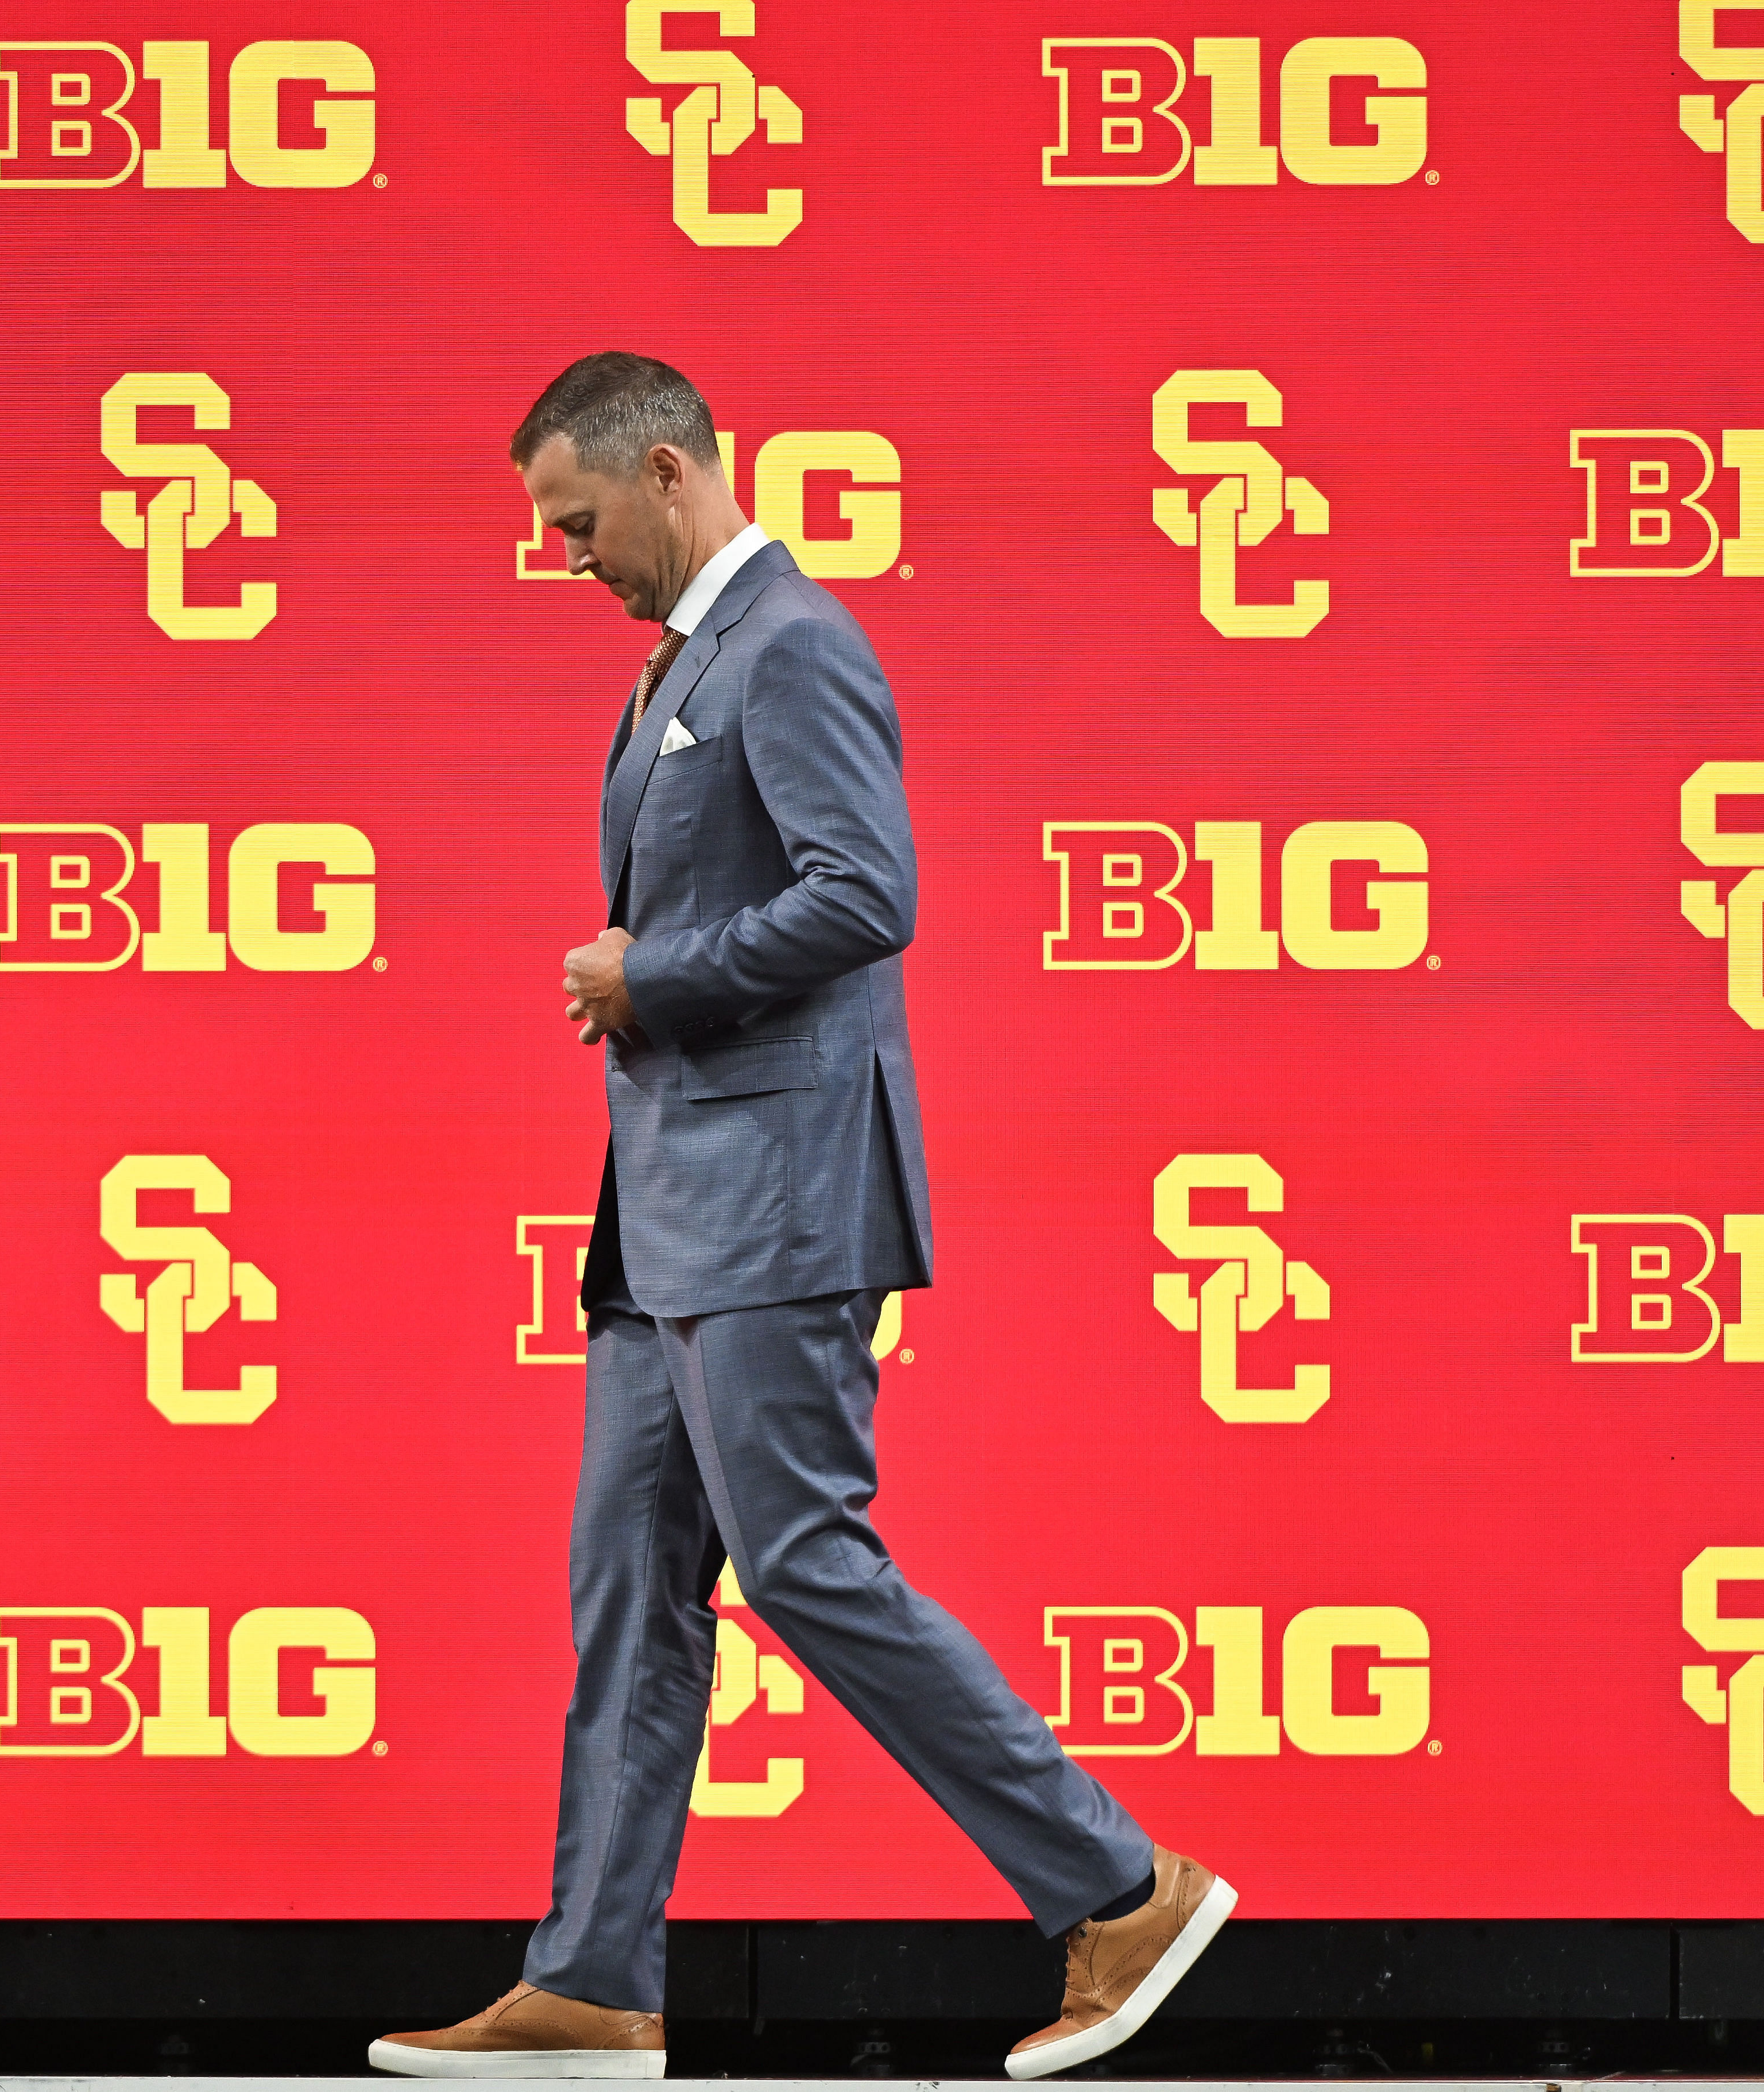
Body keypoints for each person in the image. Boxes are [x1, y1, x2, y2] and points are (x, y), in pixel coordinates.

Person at [369, 354, 1232, 2082]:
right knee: (629, 1586)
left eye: (576, 521)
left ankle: (1117, 1886)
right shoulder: (683, 663)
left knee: (807, 1562)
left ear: (668, 471)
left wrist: (648, 974)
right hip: (665, 1220)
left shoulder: (794, 643)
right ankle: (594, 1978)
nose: (560, 555)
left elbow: (868, 892)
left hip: (773, 1207)